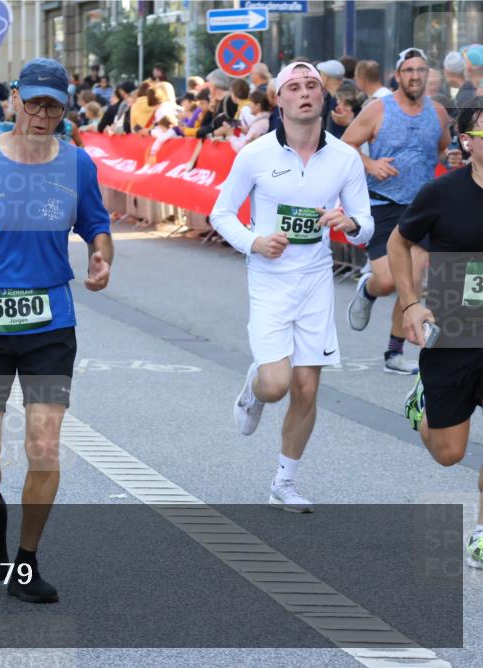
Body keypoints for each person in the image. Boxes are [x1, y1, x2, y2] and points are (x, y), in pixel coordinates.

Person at [0, 57, 112, 604]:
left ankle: (26, 562)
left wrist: (101, 256)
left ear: (65, 109)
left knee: (44, 447)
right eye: (33, 102)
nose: (41, 115)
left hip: (50, 324)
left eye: (53, 106)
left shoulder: (77, 164)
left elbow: (97, 226)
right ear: (14, 98)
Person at [210, 62, 373, 512]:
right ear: (279, 100)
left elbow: (366, 224)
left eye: (311, 86)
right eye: (294, 87)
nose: (304, 93)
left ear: (323, 97)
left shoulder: (344, 158)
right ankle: (255, 387)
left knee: (306, 388)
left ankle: (284, 481)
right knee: (276, 384)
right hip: (270, 280)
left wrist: (350, 223)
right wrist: (254, 242)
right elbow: (221, 213)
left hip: (316, 279)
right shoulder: (255, 154)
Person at [389, 97, 483, 570]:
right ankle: (423, 401)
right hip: (456, 330)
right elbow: (398, 241)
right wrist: (410, 303)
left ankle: (482, 531)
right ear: (467, 142)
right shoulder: (442, 193)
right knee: (449, 453)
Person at [343, 48, 451, 374]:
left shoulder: (438, 113)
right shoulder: (379, 109)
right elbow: (345, 145)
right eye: (409, 70)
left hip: (421, 207)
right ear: (398, 75)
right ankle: (368, 290)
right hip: (382, 204)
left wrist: (451, 160)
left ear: (427, 75)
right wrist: (370, 163)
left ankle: (394, 352)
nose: (415, 76)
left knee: (413, 280)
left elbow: (442, 148)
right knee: (389, 280)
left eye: (421, 70)